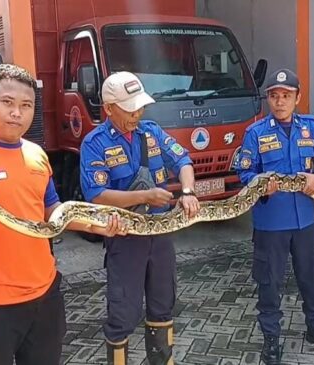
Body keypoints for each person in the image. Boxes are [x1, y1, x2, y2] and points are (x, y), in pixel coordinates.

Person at [0, 63, 126, 365]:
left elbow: (51, 212)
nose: (17, 113)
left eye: (26, 105)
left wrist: (98, 224)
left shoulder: (36, 154)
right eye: (7, 103)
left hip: (44, 298)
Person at [79, 71, 200, 365]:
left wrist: (187, 191)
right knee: (124, 311)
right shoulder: (94, 143)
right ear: (109, 108)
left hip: (159, 235)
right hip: (124, 238)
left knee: (163, 304)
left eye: (141, 107)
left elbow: (183, 159)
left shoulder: (152, 132)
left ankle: (162, 360)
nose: (138, 114)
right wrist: (144, 197)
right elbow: (96, 194)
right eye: (130, 108)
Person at [234, 68, 314, 364]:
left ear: (297, 98)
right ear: (268, 99)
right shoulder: (255, 133)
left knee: (312, 277)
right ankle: (271, 339)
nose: (280, 101)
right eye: (274, 96)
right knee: (270, 282)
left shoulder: (311, 127)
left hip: (305, 220)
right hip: (271, 222)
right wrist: (259, 186)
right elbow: (244, 172)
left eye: (286, 96)